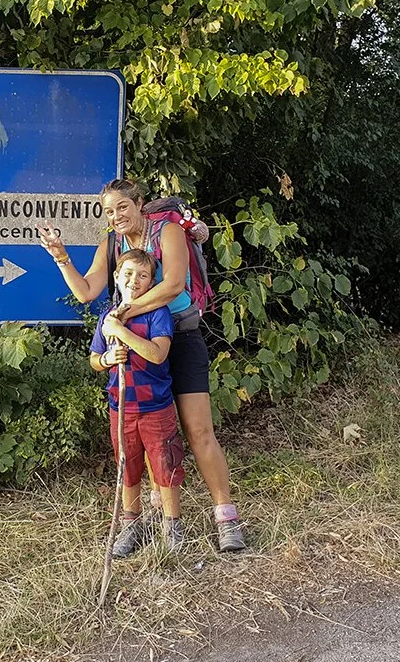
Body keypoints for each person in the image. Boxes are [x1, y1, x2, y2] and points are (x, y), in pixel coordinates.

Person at [40, 177, 246, 552]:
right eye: (108, 211)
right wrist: (61, 257)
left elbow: (173, 287)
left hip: (180, 336)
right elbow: (87, 291)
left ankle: (226, 517)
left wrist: (120, 314)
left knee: (199, 431)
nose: (116, 216)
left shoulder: (166, 231)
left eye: (122, 206)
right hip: (135, 345)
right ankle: (155, 517)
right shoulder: (112, 244)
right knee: (151, 433)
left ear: (138, 203)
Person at [91, 249, 185, 556]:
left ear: (151, 283)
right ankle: (131, 526)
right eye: (128, 274)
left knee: (165, 465)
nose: (135, 280)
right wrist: (106, 358)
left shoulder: (157, 314)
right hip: (121, 406)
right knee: (127, 468)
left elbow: (158, 354)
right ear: (117, 277)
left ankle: (172, 527)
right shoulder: (107, 316)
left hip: (155, 407)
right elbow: (94, 359)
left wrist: (121, 332)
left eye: (143, 276)